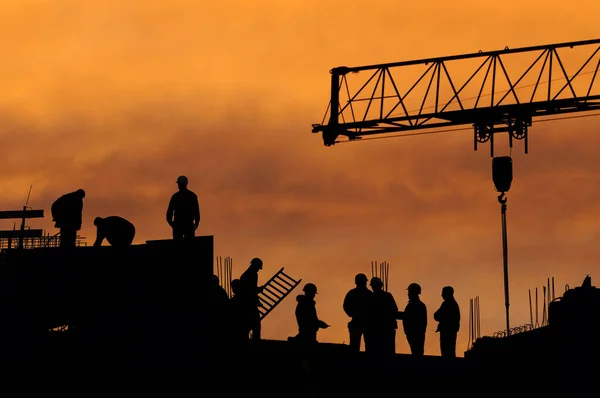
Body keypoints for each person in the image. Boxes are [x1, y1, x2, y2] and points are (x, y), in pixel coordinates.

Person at [365, 277, 400, 355]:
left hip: (377, 329)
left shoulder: (371, 297)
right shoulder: (387, 296)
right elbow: (395, 310)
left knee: (375, 352)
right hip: (386, 328)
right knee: (387, 351)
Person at [343, 273, 373, 352]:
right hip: (364, 323)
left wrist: (351, 314)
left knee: (356, 346)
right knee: (365, 346)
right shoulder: (369, 294)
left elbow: (346, 306)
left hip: (363, 322)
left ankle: (355, 361)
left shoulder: (352, 293)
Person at [397, 283, 427, 356]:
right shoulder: (420, 305)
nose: (408, 294)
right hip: (417, 333)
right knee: (417, 351)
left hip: (414, 333)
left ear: (413, 293)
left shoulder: (413, 305)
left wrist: (394, 314)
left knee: (416, 352)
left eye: (409, 292)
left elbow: (408, 317)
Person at [166, 175, 200, 240]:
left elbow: (196, 212)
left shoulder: (176, 197)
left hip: (184, 226)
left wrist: (173, 225)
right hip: (183, 226)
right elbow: (197, 213)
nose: (179, 186)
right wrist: (196, 223)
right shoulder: (191, 196)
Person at [238, 257, 264, 340]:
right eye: (258, 268)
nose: (258, 270)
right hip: (247, 304)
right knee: (254, 325)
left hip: (249, 303)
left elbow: (252, 290)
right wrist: (258, 291)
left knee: (250, 325)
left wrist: (257, 296)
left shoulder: (249, 274)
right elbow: (250, 291)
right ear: (254, 266)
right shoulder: (250, 274)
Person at [433, 286, 461, 358]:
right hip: (449, 331)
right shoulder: (452, 304)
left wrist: (443, 319)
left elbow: (437, 315)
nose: (441, 295)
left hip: (447, 331)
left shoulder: (448, 304)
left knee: (447, 352)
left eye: (443, 293)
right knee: (449, 351)